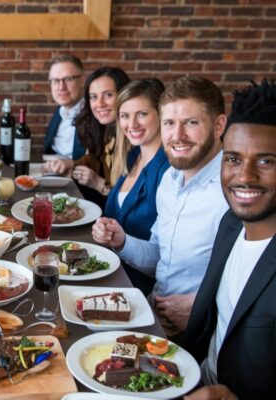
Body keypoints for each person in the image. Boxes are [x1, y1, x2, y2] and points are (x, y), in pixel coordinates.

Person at [92, 76, 230, 337]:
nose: (177, 136)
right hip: (154, 314)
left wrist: (202, 305)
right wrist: (122, 242)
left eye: (191, 123)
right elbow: (160, 256)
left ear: (219, 125)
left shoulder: (231, 190)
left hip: (201, 334)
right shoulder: (171, 179)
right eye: (169, 123)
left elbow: (255, 280)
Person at [182, 79, 276, 400]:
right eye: (233, 158)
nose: (244, 176)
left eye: (266, 161)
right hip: (192, 377)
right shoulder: (232, 223)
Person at [105, 78, 170, 295]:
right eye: (125, 116)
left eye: (142, 114)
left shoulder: (168, 170)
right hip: (113, 274)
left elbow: (165, 257)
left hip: (139, 289)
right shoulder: (133, 156)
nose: (131, 125)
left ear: (161, 114)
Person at [71, 67, 131, 208]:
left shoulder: (132, 140)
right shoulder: (104, 128)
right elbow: (93, 158)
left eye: (108, 95)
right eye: (93, 97)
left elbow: (128, 205)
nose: (99, 104)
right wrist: (71, 165)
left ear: (124, 95)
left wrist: (98, 184)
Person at [43, 55, 87, 175]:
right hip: (53, 172)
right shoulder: (60, 110)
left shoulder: (96, 113)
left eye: (68, 79)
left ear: (82, 80)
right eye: (56, 81)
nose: (61, 87)